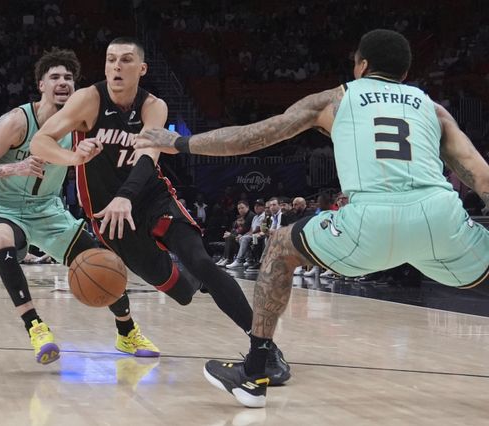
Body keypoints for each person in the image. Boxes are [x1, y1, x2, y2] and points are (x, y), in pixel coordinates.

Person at [135, 29, 489, 407]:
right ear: (404, 73)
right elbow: (480, 176)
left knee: (280, 245)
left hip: (369, 222)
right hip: (440, 218)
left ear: (361, 65)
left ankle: (256, 370)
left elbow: (252, 137)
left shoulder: (335, 99)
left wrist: (180, 142)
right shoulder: (433, 109)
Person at [31, 37, 290, 384]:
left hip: (153, 198)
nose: (116, 66)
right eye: (110, 59)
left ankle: (265, 348)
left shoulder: (153, 106)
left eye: (126, 60)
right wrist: (73, 157)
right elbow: (40, 142)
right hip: (110, 218)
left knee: (202, 262)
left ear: (142, 69)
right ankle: (195, 279)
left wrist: (126, 195)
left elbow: (148, 156)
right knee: (182, 293)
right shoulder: (88, 100)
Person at [0, 47, 159, 365]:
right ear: (41, 85)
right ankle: (36, 328)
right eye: (55, 77)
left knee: (100, 262)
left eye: (69, 78)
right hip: (5, 208)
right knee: (2, 238)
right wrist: (14, 167)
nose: (63, 82)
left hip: (48, 210)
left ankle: (127, 332)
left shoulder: (78, 125)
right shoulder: (16, 121)